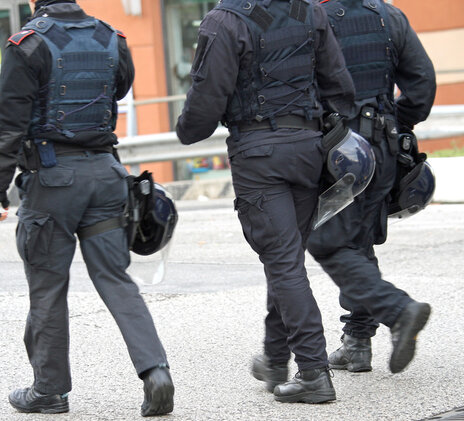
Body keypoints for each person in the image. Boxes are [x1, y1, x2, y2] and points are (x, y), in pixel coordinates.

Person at [0, 0, 174, 416]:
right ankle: (156, 372)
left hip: (53, 183)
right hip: (107, 176)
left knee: (48, 287)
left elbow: (8, 122)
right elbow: (119, 89)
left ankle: (50, 391)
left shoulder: (26, 44)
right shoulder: (111, 37)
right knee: (116, 280)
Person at [176, 0, 356, 404]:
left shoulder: (225, 21)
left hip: (260, 155)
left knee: (284, 262)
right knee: (287, 255)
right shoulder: (309, 11)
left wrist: (186, 130)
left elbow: (206, 99)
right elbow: (339, 85)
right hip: (310, 149)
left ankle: (313, 372)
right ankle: (276, 359)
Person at [307, 0, 436, 374]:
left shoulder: (313, 19)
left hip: (338, 151)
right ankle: (357, 343)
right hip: (384, 146)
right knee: (357, 240)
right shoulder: (389, 16)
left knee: (329, 243)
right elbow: (422, 86)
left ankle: (399, 311)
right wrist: (394, 123)